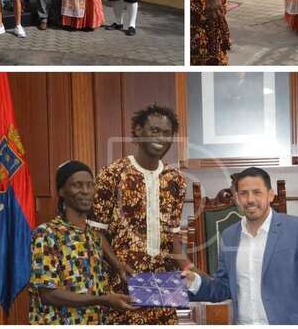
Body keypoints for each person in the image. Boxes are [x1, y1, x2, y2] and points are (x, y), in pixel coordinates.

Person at [183, 167, 298, 324]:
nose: (250, 200)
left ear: (270, 195)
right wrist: (194, 282)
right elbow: (224, 287)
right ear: (236, 198)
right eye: (243, 193)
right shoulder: (229, 236)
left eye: (257, 192)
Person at [89, 105, 187, 324]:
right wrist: (117, 265)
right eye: (154, 130)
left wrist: (189, 268)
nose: (161, 137)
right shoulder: (112, 173)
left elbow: (173, 236)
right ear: (138, 130)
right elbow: (96, 232)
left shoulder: (176, 180)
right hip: (123, 285)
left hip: (164, 286)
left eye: (166, 133)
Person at [29, 161, 135, 325]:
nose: (85, 191)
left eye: (90, 185)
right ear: (62, 191)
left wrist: (119, 268)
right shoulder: (47, 234)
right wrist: (103, 300)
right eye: (77, 185)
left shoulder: (93, 236)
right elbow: (48, 294)